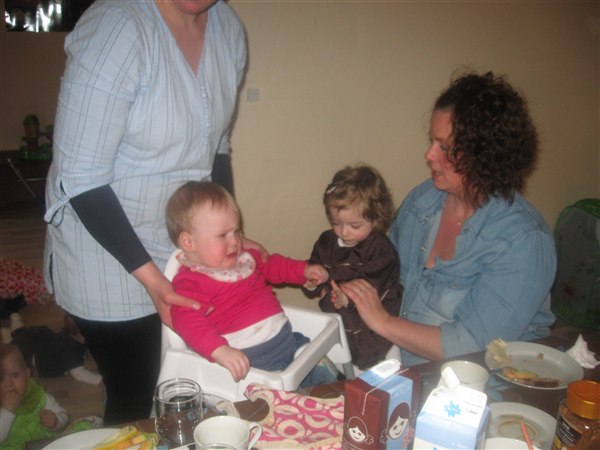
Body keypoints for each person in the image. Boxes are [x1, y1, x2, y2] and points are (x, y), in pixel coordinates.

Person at [43, 0, 247, 423]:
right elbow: (80, 177)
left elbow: (216, 147)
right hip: (108, 253)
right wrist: (154, 281)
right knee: (135, 396)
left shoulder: (228, 30)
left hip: (183, 243)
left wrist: (228, 233)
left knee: (185, 382)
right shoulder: (117, 26)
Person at [339, 72, 556, 367]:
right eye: (432, 141)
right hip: (404, 363)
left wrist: (383, 322)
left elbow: (475, 345)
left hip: (482, 378)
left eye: (445, 147)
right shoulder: (422, 201)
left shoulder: (523, 241)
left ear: (486, 154)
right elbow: (384, 271)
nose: (429, 155)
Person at [166, 181, 336, 385]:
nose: (235, 241)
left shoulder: (245, 258)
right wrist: (218, 350)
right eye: (223, 235)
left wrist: (304, 270)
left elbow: (274, 265)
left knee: (329, 379)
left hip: (289, 344)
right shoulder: (191, 281)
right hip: (250, 363)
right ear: (188, 242)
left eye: (236, 232)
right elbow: (185, 319)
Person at [304, 165, 403, 370]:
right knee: (342, 361)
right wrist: (311, 279)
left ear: (376, 219)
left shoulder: (380, 249)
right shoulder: (326, 241)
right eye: (336, 223)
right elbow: (314, 264)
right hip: (341, 319)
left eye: (354, 226)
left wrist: (344, 295)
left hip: (374, 322)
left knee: (377, 366)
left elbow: (368, 284)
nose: (344, 232)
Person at [0, 343, 69, 448]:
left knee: (80, 430)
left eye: (15, 375)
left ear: (27, 374)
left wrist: (56, 421)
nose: (9, 384)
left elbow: (64, 416)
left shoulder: (38, 396)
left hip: (43, 445)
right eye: (1, 379)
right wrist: (7, 410)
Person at [10, 313, 102, 386]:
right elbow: (79, 374)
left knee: (21, 334)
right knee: (16, 351)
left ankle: (16, 321)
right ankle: (16, 323)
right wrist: (98, 379)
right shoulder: (71, 351)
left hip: (36, 339)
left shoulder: (70, 334)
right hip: (31, 353)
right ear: (80, 335)